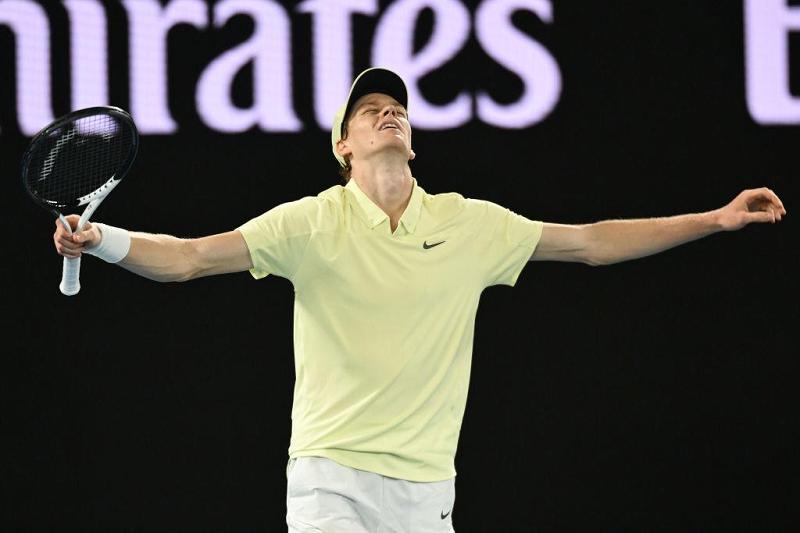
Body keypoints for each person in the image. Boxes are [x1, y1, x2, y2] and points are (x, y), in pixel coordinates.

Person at [53, 67, 786, 533]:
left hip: (427, 491)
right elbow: (187, 260)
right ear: (343, 145)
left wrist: (714, 219)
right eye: (370, 110)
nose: (388, 114)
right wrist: (104, 238)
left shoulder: (468, 223)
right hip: (329, 479)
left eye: (396, 108)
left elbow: (593, 241)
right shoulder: (310, 222)